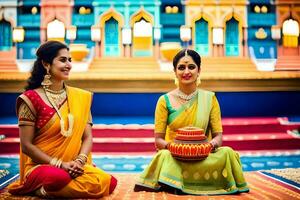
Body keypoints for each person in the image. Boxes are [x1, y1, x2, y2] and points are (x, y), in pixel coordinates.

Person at [8, 41, 117, 198]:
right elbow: (26, 145)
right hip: (42, 166)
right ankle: (42, 186)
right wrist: (60, 164)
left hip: (73, 164)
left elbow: (87, 137)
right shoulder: (30, 99)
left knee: (108, 181)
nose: (69, 65)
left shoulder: (81, 97)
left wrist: (79, 162)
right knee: (58, 177)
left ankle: (46, 191)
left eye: (70, 60)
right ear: (46, 64)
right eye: (63, 60)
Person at [134, 49, 249, 195]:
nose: (186, 71)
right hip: (175, 157)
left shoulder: (210, 98)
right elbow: (158, 140)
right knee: (164, 156)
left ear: (199, 70)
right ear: (175, 72)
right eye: (181, 67)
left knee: (227, 152)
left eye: (191, 67)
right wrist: (176, 148)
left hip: (203, 156)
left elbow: (218, 137)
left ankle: (182, 182)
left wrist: (208, 147)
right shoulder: (164, 101)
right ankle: (182, 181)